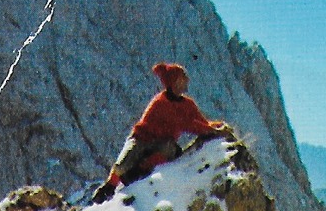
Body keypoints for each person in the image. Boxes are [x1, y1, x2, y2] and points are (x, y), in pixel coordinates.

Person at [93, 62, 230, 203]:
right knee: (122, 166)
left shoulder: (188, 104)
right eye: (183, 78)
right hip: (140, 139)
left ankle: (140, 171)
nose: (186, 81)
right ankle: (110, 186)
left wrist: (217, 126)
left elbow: (201, 123)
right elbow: (188, 124)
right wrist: (215, 131)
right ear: (174, 81)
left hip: (161, 143)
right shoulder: (160, 102)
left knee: (170, 148)